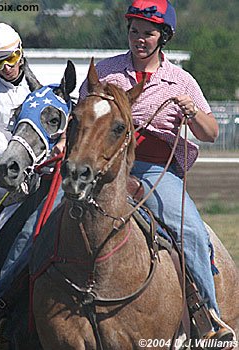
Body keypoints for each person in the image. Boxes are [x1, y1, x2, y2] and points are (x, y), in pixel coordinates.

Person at [79, 0, 235, 345]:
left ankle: (209, 317)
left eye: (148, 33)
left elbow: (209, 132)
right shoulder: (104, 72)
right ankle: (9, 309)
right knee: (43, 220)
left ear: (163, 36)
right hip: (100, 167)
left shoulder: (181, 80)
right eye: (134, 32)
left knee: (192, 231)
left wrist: (192, 112)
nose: (140, 39)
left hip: (153, 170)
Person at [0, 23, 68, 349]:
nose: (7, 67)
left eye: (11, 58)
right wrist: (16, 158)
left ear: (21, 51)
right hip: (6, 178)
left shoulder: (45, 90)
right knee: (11, 234)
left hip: (46, 174)